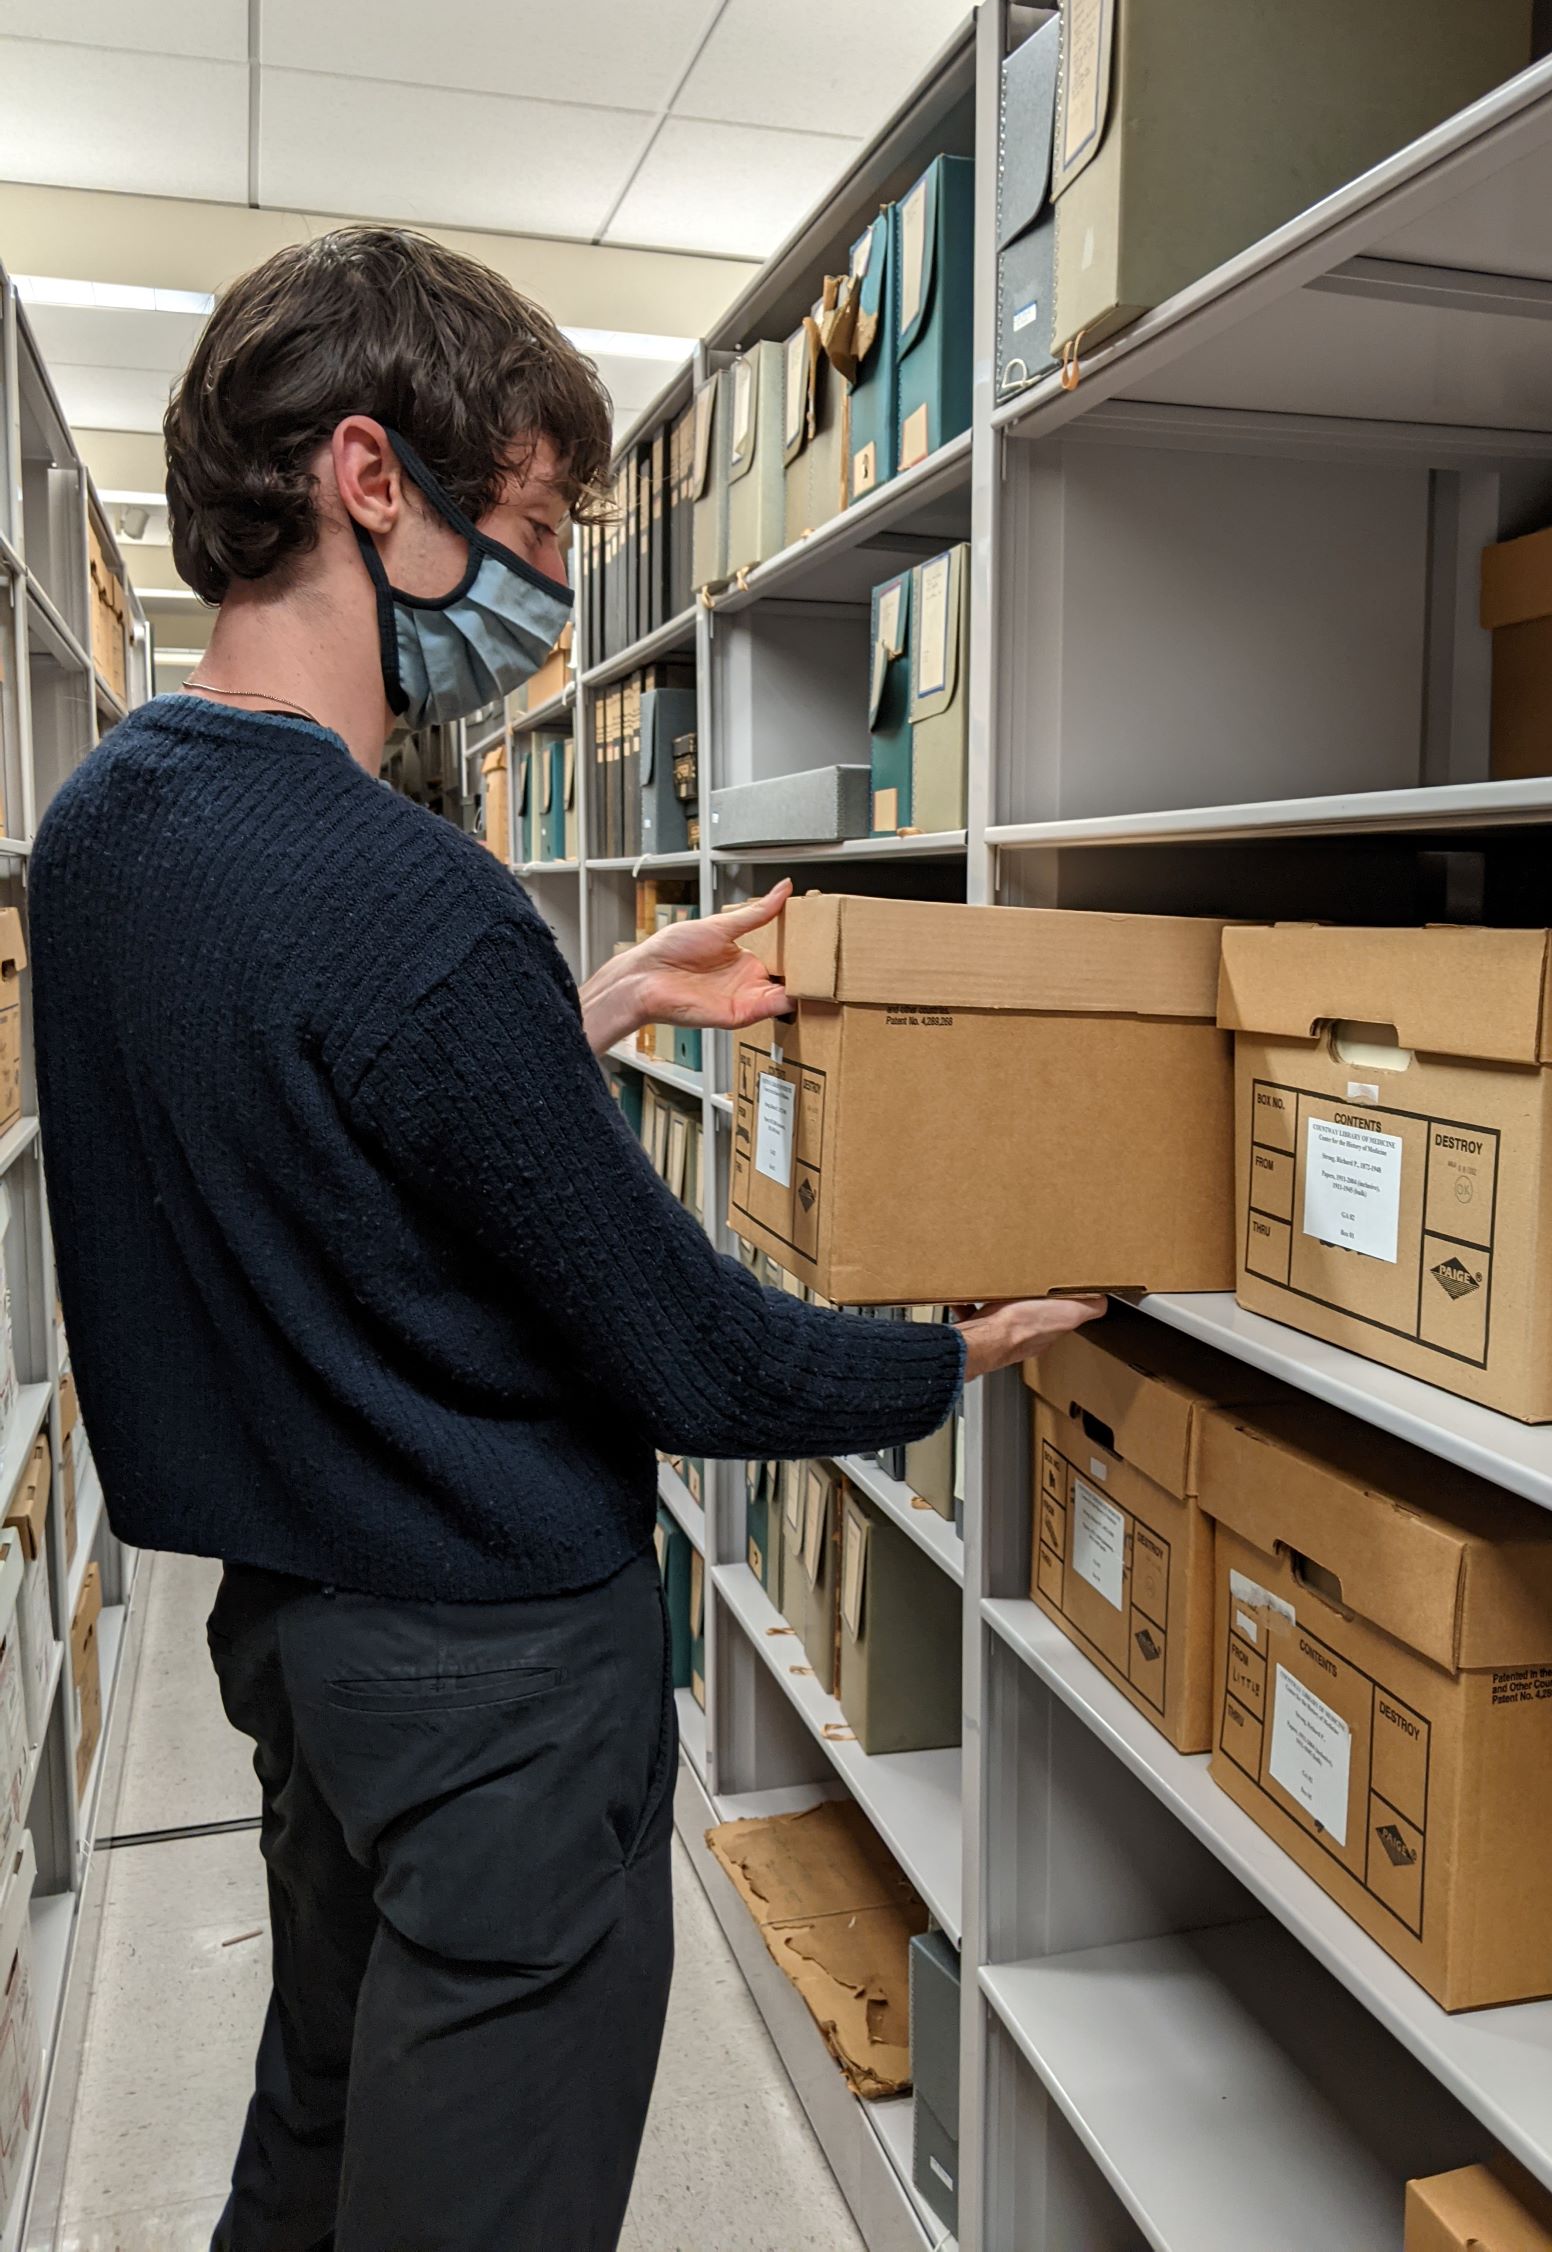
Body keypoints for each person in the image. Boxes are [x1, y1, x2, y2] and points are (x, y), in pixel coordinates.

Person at [28, 226, 1100, 2252]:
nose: (536, 592)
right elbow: (689, 1351)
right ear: (370, 478)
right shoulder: (418, 903)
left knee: (322, 2114)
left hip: (301, 1631)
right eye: (524, 527)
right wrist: (947, 1348)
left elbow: (305, 1117)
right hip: (501, 1681)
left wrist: (583, 1004)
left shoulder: (105, 834)